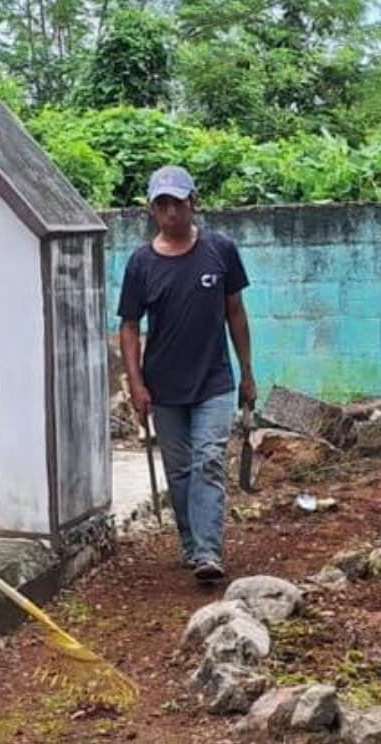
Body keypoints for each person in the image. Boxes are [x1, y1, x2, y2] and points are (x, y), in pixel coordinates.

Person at [117, 166, 256, 582]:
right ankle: (192, 545)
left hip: (213, 381)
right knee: (178, 472)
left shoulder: (220, 249)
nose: (170, 213)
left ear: (193, 202)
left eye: (177, 203)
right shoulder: (141, 263)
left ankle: (210, 552)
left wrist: (247, 372)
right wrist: (137, 384)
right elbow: (128, 326)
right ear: (152, 210)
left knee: (209, 460)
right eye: (161, 205)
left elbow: (235, 312)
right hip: (164, 387)